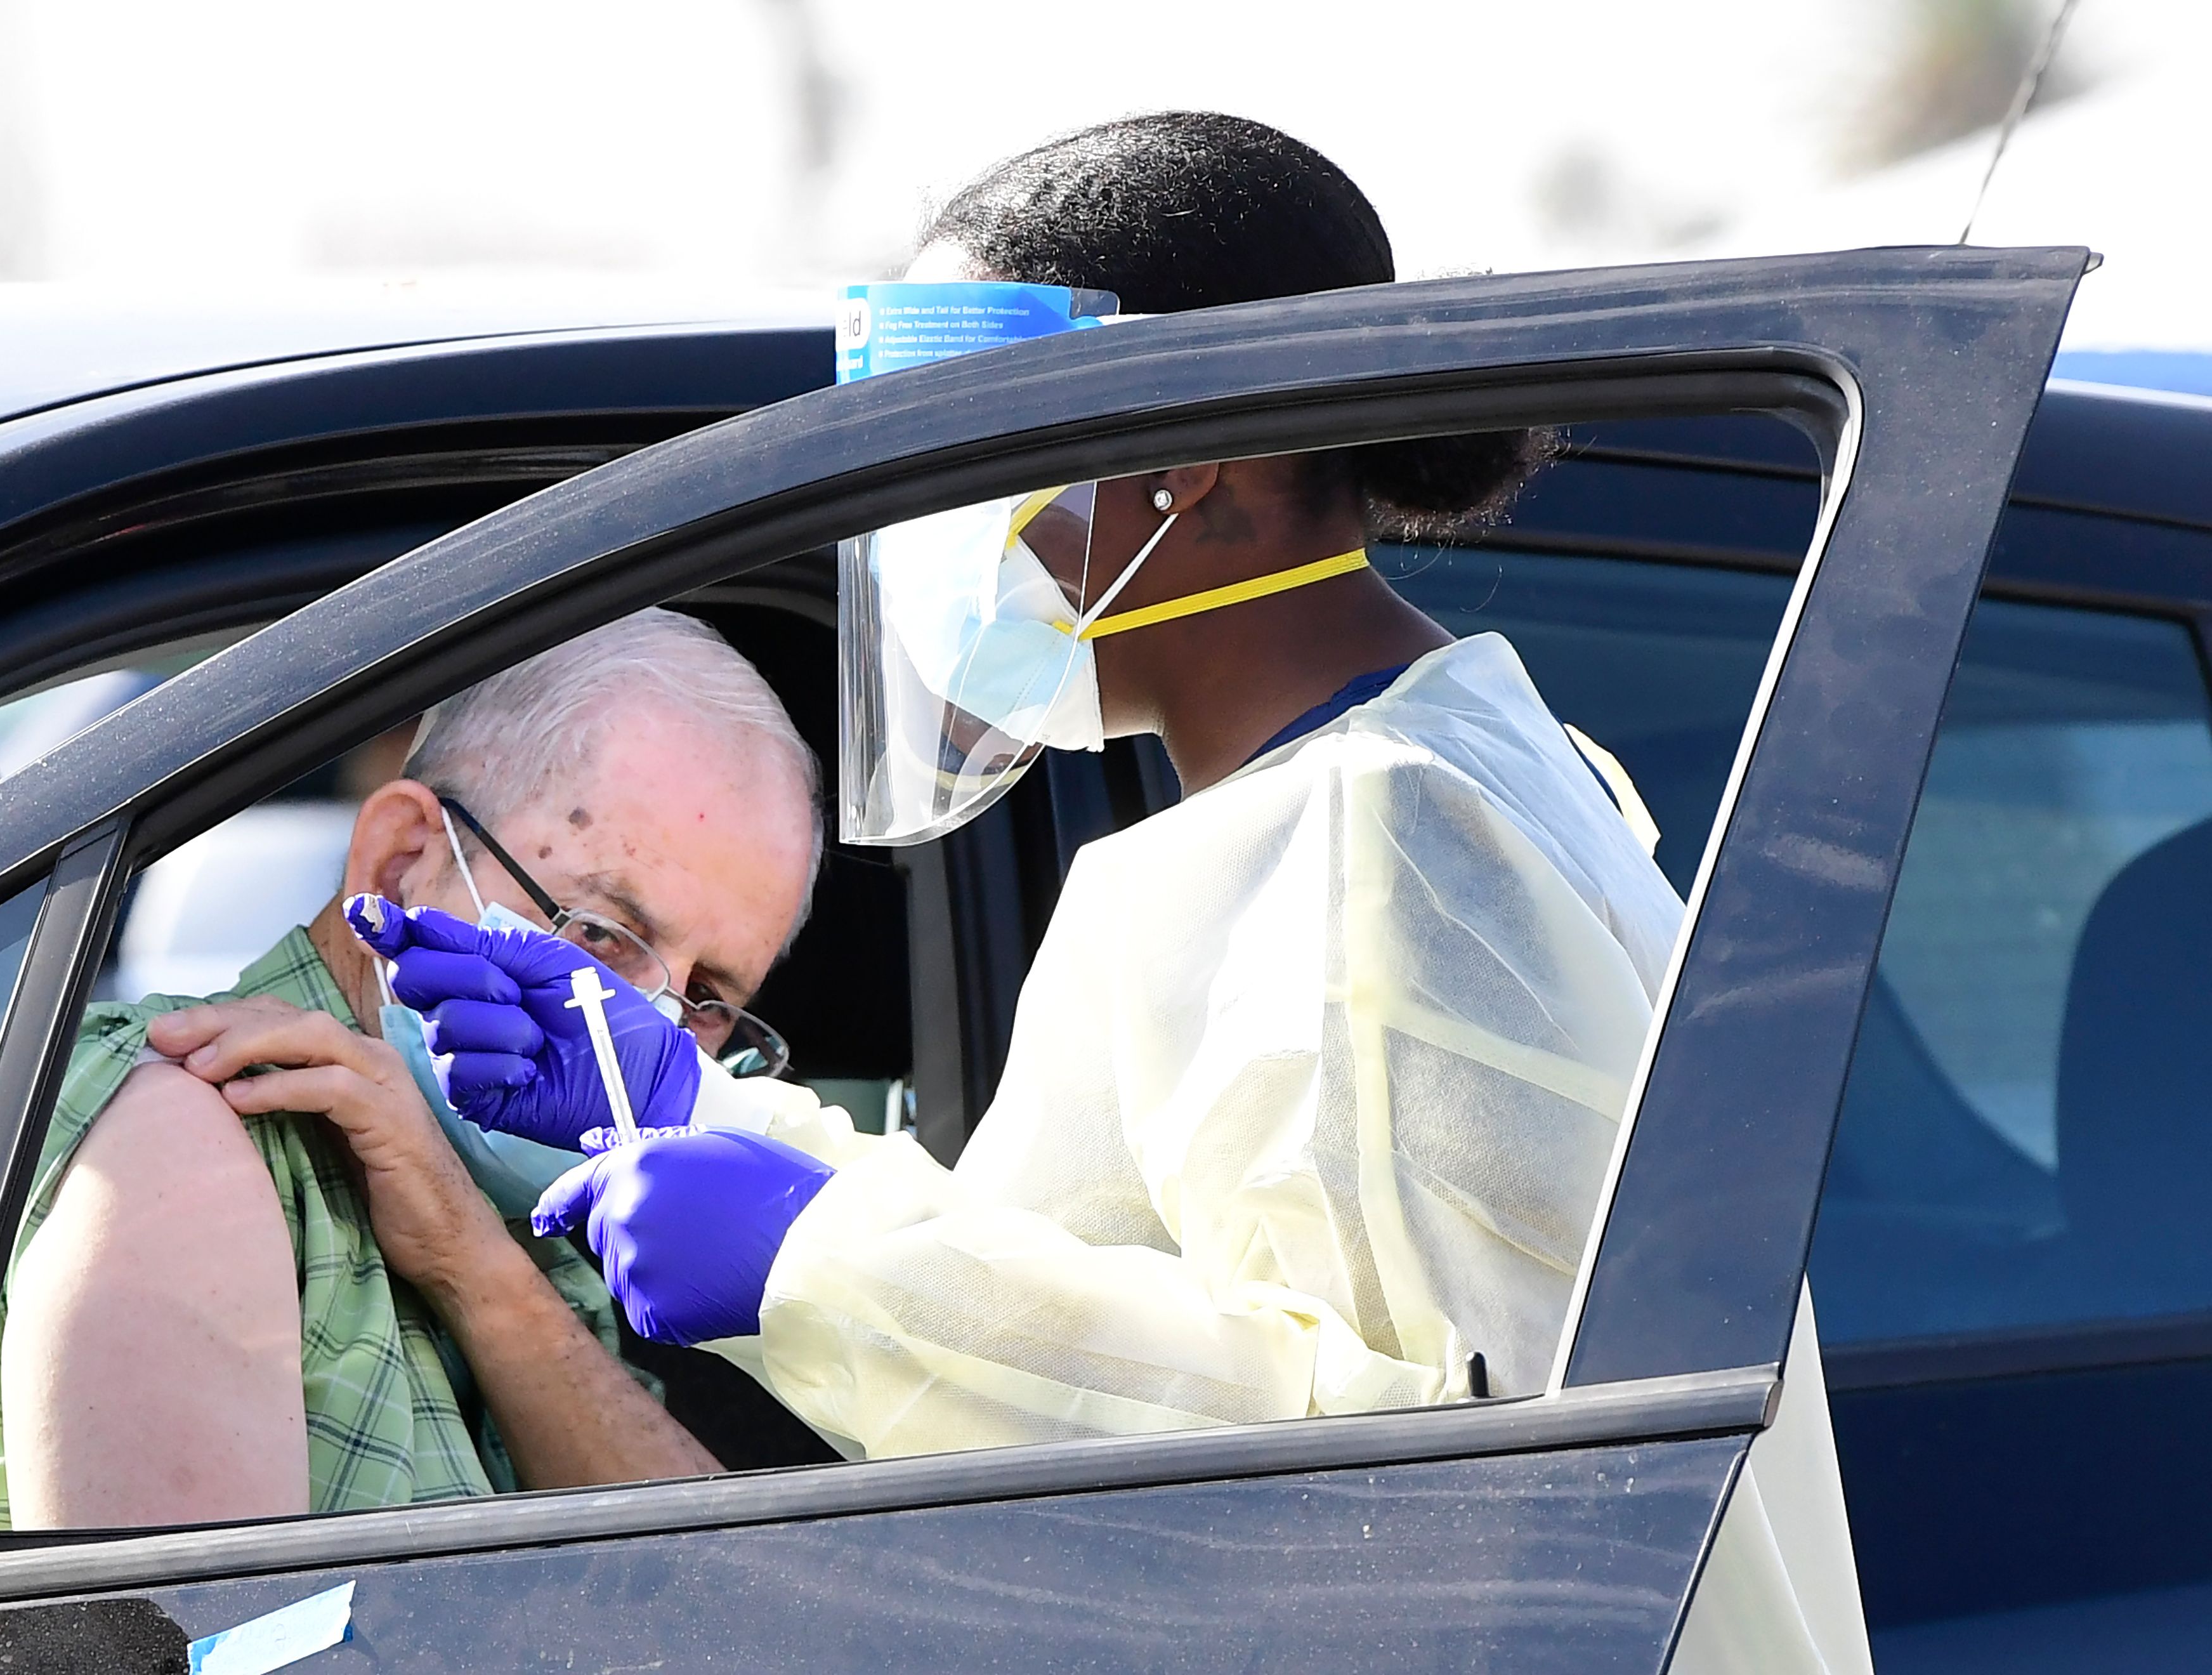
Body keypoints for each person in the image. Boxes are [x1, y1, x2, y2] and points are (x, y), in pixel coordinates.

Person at [363, 114, 1869, 1673]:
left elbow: (1437, 1484)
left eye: (980, 455)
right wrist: (699, 1112)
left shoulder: (1380, 835)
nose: (939, 523)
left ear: (1178, 472)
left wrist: (816, 1266)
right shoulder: (1405, 777)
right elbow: (1156, 1307)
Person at [0, 607, 822, 1529]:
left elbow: (725, 1600)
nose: (650, 1027)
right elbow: (175, 1640)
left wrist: (477, 1270)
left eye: (706, 996)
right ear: (397, 867)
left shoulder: (520, 1220)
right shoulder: (187, 1128)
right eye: (598, 932)